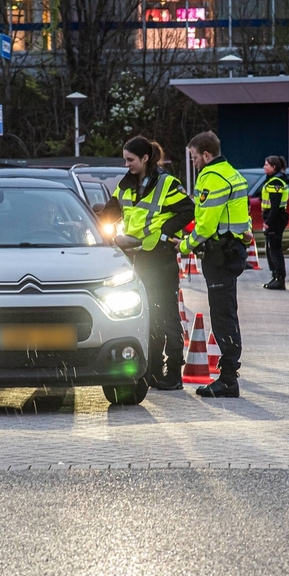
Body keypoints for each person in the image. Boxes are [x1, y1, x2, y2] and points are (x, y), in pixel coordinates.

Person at [102, 137, 194, 390]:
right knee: (147, 316)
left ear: (145, 158)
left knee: (166, 315)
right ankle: (153, 370)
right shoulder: (126, 183)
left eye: (130, 159)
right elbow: (110, 211)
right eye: (125, 159)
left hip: (161, 257)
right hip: (138, 258)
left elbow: (188, 210)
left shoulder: (167, 183)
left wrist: (165, 232)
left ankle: (174, 373)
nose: (126, 164)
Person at [178, 131, 251, 398]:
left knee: (222, 316)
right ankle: (229, 375)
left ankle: (228, 379)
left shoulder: (211, 178)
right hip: (233, 250)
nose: (194, 162)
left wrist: (185, 245)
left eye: (194, 157)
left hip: (219, 254)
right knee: (227, 311)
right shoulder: (233, 173)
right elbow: (243, 215)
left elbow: (206, 224)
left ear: (206, 155)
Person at [260, 155, 289, 290]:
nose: (264, 167)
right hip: (275, 218)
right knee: (271, 249)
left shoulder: (275, 182)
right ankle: (275, 276)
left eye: (266, 165)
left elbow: (275, 205)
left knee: (275, 250)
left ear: (273, 167)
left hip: (275, 219)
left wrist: (268, 222)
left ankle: (280, 279)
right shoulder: (273, 180)